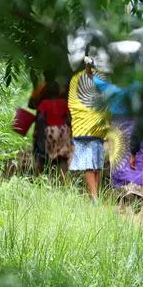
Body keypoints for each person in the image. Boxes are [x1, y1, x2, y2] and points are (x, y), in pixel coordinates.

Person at [68, 61, 110, 201]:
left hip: (91, 129)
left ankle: (95, 197)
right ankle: (94, 198)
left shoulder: (77, 79)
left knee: (95, 165)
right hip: (89, 128)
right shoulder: (98, 79)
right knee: (90, 164)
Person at [34, 80, 72, 172]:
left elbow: (40, 118)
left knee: (51, 156)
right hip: (63, 131)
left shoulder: (44, 103)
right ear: (58, 91)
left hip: (50, 131)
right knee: (63, 156)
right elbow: (68, 119)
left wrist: (37, 131)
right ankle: (63, 180)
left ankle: (52, 179)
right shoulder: (64, 102)